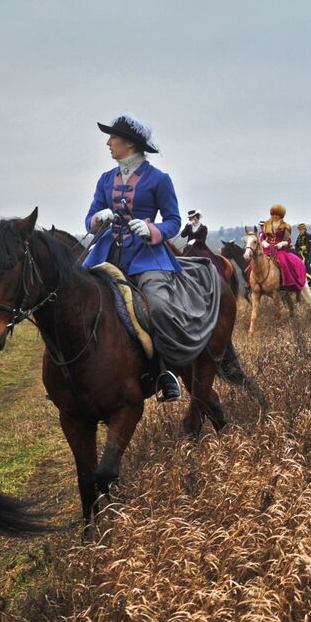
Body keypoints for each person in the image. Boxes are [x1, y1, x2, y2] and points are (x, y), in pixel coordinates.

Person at [84, 113, 221, 404]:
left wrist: (151, 229)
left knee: (157, 306)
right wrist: (99, 217)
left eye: (113, 138)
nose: (108, 143)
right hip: (108, 252)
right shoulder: (105, 179)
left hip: (146, 256)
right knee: (74, 295)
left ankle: (166, 372)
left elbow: (172, 220)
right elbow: (89, 219)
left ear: (130, 144)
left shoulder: (159, 180)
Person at [258, 203, 307, 289]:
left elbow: (288, 240)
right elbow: (262, 237)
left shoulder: (286, 226)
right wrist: (264, 243)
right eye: (274, 214)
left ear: (281, 215)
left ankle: (287, 281)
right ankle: (251, 283)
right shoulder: (267, 225)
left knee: (283, 261)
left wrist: (282, 244)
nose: (275, 216)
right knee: (254, 262)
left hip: (279, 249)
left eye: (278, 214)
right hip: (267, 248)